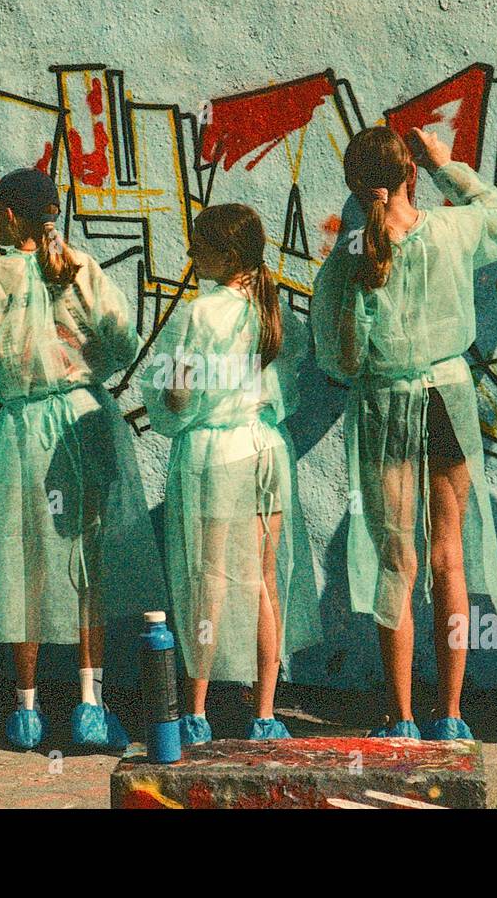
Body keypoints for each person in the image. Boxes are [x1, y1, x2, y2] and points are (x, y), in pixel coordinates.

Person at [311, 125, 497, 740]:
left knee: (395, 562)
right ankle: (451, 715)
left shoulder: (348, 259)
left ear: (354, 188)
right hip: (448, 401)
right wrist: (450, 164)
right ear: (412, 176)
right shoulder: (450, 232)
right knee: (450, 560)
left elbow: (338, 359)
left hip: (384, 408)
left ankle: (400, 718)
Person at [0, 168, 160, 751]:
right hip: (85, 420)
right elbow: (122, 341)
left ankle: (25, 709)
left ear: (12, 218)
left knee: (22, 560)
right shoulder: (82, 267)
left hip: (23, 426)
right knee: (89, 564)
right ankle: (90, 702)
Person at [141, 203, 321, 744]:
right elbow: (285, 390)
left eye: (199, 246)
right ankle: (265, 712)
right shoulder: (275, 313)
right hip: (267, 449)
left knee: (208, 579)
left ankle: (194, 711)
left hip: (215, 455)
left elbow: (175, 395)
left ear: (227, 254)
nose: (191, 255)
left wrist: (173, 393)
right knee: (267, 580)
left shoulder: (200, 314)